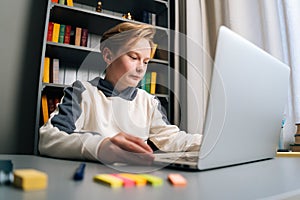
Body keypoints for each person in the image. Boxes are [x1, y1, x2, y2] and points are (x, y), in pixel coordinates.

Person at [39, 22, 202, 165]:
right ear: (108, 56)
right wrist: (100, 146)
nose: (141, 68)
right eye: (133, 57)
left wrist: (205, 142)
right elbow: (49, 137)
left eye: (145, 62)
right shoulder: (83, 92)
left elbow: (172, 139)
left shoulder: (149, 101)